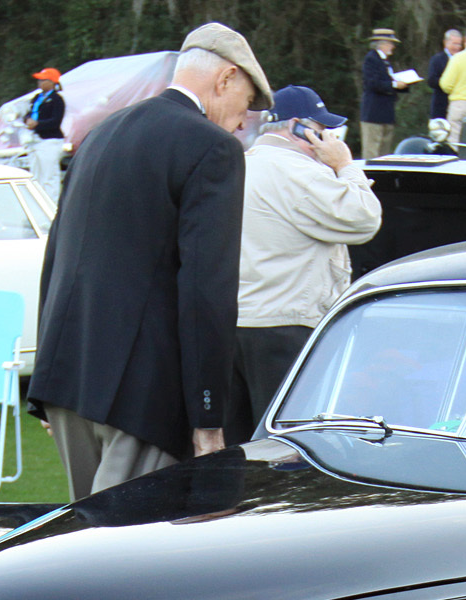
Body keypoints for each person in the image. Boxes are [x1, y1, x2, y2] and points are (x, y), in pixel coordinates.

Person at [30, 23, 271, 499]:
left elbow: (58, 256)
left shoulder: (100, 135)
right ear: (224, 79)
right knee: (128, 559)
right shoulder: (213, 148)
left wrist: (46, 383)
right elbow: (207, 290)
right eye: (245, 104)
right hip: (141, 398)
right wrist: (208, 419)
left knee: (87, 543)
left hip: (67, 380)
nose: (244, 121)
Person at [226, 85, 382, 446]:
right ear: (299, 128)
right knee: (289, 447)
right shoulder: (296, 170)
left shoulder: (240, 163)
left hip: (235, 324)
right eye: (321, 128)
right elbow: (364, 218)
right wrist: (344, 164)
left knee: (239, 448)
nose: (329, 136)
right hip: (285, 324)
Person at [358, 29, 406, 160]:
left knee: (384, 154)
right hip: (374, 114)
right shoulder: (371, 59)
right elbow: (373, 83)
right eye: (391, 43)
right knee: (372, 152)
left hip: (386, 113)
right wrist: (395, 85)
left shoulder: (385, 61)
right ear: (382, 44)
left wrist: (403, 84)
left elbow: (386, 82)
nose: (393, 47)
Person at [23, 68, 66, 202]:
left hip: (49, 140)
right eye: (39, 79)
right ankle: (38, 203)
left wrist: (38, 124)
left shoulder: (57, 100)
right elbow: (28, 112)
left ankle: (52, 204)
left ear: (52, 82)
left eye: (43, 80)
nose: (40, 82)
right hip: (35, 140)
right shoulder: (37, 98)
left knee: (49, 175)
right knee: (36, 175)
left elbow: (55, 121)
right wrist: (28, 120)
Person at [427, 29, 462, 123]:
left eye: (459, 44)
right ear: (445, 43)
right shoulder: (437, 59)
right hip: (440, 106)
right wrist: (447, 82)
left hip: (458, 105)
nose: (457, 47)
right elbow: (431, 80)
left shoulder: (462, 60)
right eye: (454, 44)